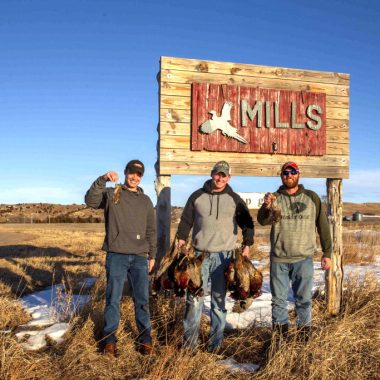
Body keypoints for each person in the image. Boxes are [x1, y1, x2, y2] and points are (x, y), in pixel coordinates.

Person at [177, 160, 254, 352]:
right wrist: (181, 238)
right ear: (212, 174)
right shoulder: (197, 196)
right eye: (217, 174)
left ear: (229, 177)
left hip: (224, 258)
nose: (219, 178)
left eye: (223, 175)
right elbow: (186, 219)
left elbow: (247, 222)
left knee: (219, 303)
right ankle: (190, 346)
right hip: (198, 256)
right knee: (194, 301)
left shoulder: (235, 199)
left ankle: (215, 346)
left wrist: (248, 243)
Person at [85, 159, 156, 356]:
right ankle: (109, 340)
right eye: (132, 173)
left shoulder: (146, 201)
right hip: (117, 255)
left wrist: (153, 256)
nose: (135, 177)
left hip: (141, 257)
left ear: (142, 177)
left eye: (139, 175)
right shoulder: (112, 194)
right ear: (125, 172)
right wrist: (103, 179)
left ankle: (145, 339)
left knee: (142, 300)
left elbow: (151, 230)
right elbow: (90, 201)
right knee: (113, 299)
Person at [257, 161, 332, 340]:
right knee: (279, 302)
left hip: (303, 258)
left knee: (304, 301)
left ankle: (304, 339)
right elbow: (262, 221)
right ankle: (280, 341)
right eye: (285, 173)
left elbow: (322, 226)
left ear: (298, 174)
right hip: (279, 259)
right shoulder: (275, 197)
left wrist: (327, 253)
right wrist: (266, 206)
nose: (289, 175)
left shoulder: (312, 197)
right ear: (281, 176)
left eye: (292, 172)